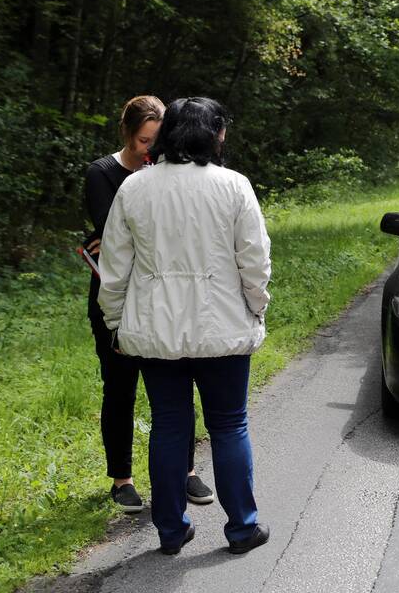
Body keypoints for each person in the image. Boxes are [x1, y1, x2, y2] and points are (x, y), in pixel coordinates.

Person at [98, 97, 272, 555]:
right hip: (223, 329)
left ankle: (172, 532)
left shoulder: (135, 188)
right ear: (219, 134)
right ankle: (241, 529)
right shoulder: (234, 186)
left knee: (170, 426)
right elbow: (254, 261)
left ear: (168, 133)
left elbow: (114, 267)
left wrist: (115, 322)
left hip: (158, 332)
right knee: (230, 424)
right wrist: (257, 307)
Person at [84, 95, 214, 513]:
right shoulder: (102, 174)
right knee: (119, 389)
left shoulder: (167, 174)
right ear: (127, 133)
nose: (149, 150)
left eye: (156, 141)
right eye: (143, 140)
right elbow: (116, 238)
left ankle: (187, 471)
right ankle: (121, 478)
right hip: (117, 297)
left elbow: (130, 240)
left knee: (177, 390)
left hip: (163, 299)